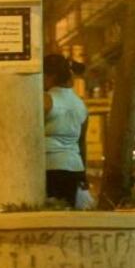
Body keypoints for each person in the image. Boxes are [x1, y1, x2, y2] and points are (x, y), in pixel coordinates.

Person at [43, 54, 88, 207]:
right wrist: (83, 173)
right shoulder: (81, 105)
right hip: (74, 166)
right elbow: (82, 143)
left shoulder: (46, 100)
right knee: (68, 213)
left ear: (50, 76)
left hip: (50, 165)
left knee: (49, 215)